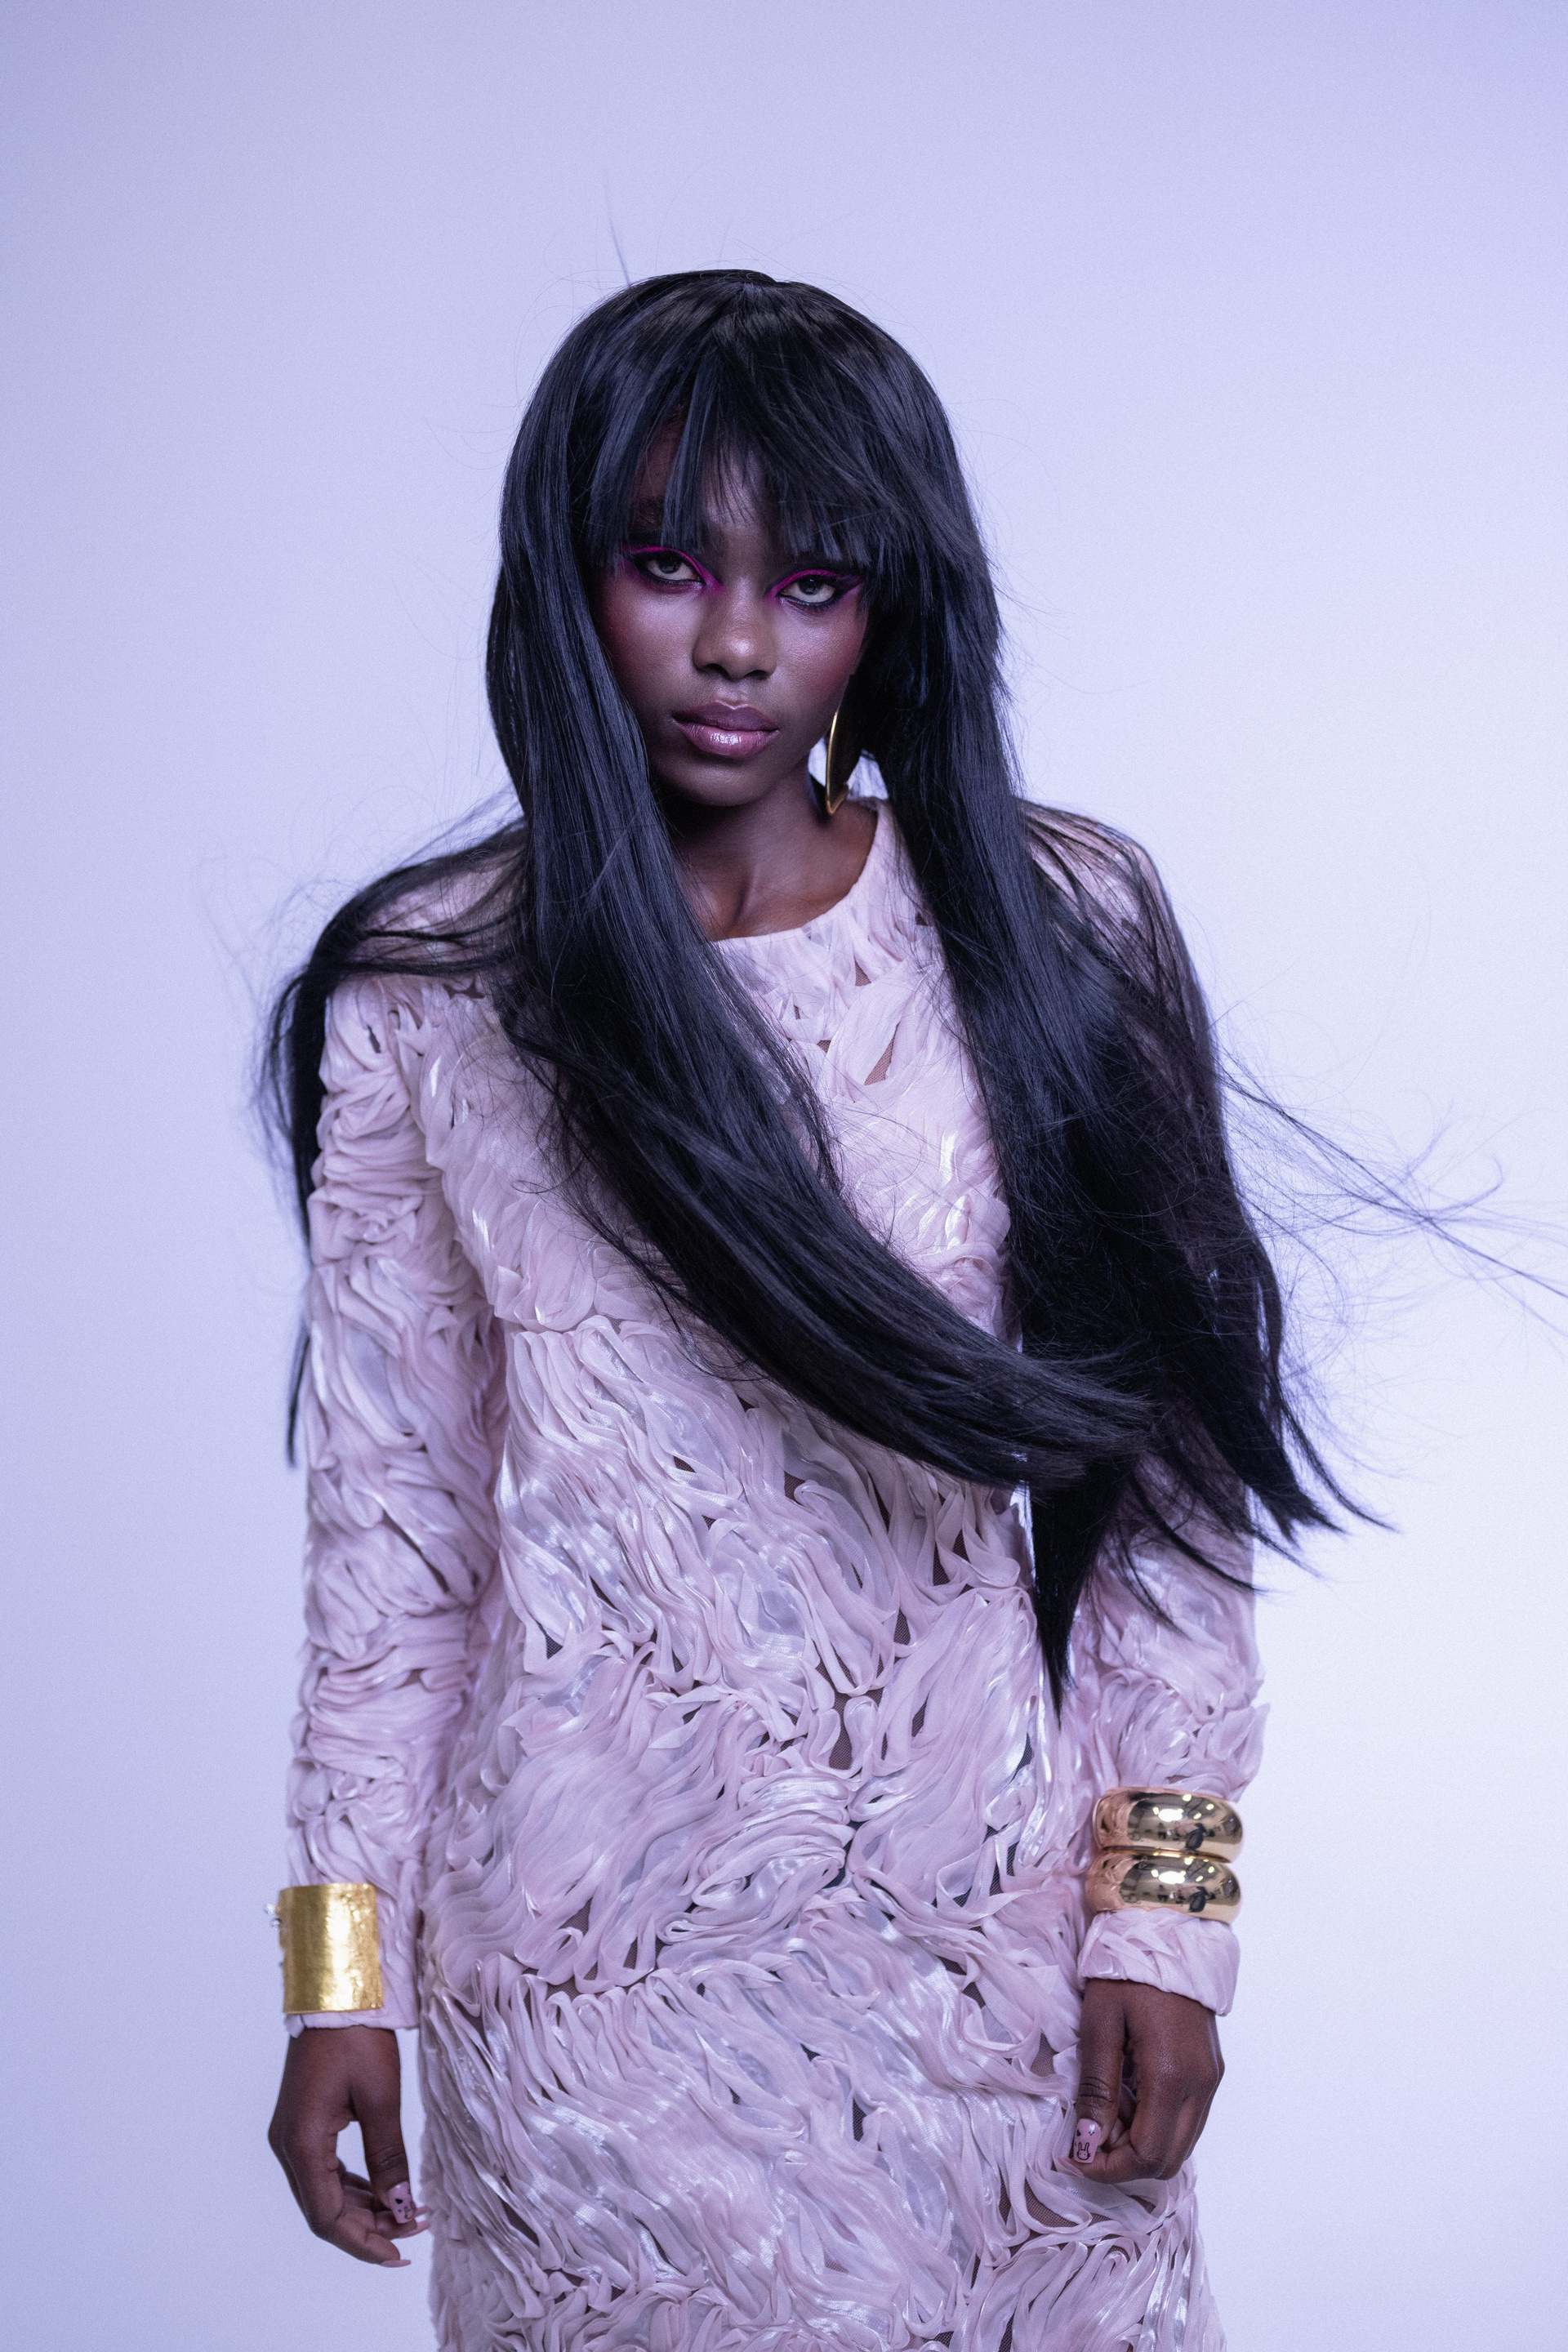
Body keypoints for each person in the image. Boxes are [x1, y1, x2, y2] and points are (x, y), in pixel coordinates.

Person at [265, 270, 1330, 2350]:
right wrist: (336, 1977)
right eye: (669, 565)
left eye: (812, 582)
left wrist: (1169, 1914)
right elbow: (393, 1545)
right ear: (563, 577)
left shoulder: (1057, 928)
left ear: (889, 607)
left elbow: (1166, 1484)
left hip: (987, 1961)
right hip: (572, 2005)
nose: (740, 642)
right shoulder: (431, 986)